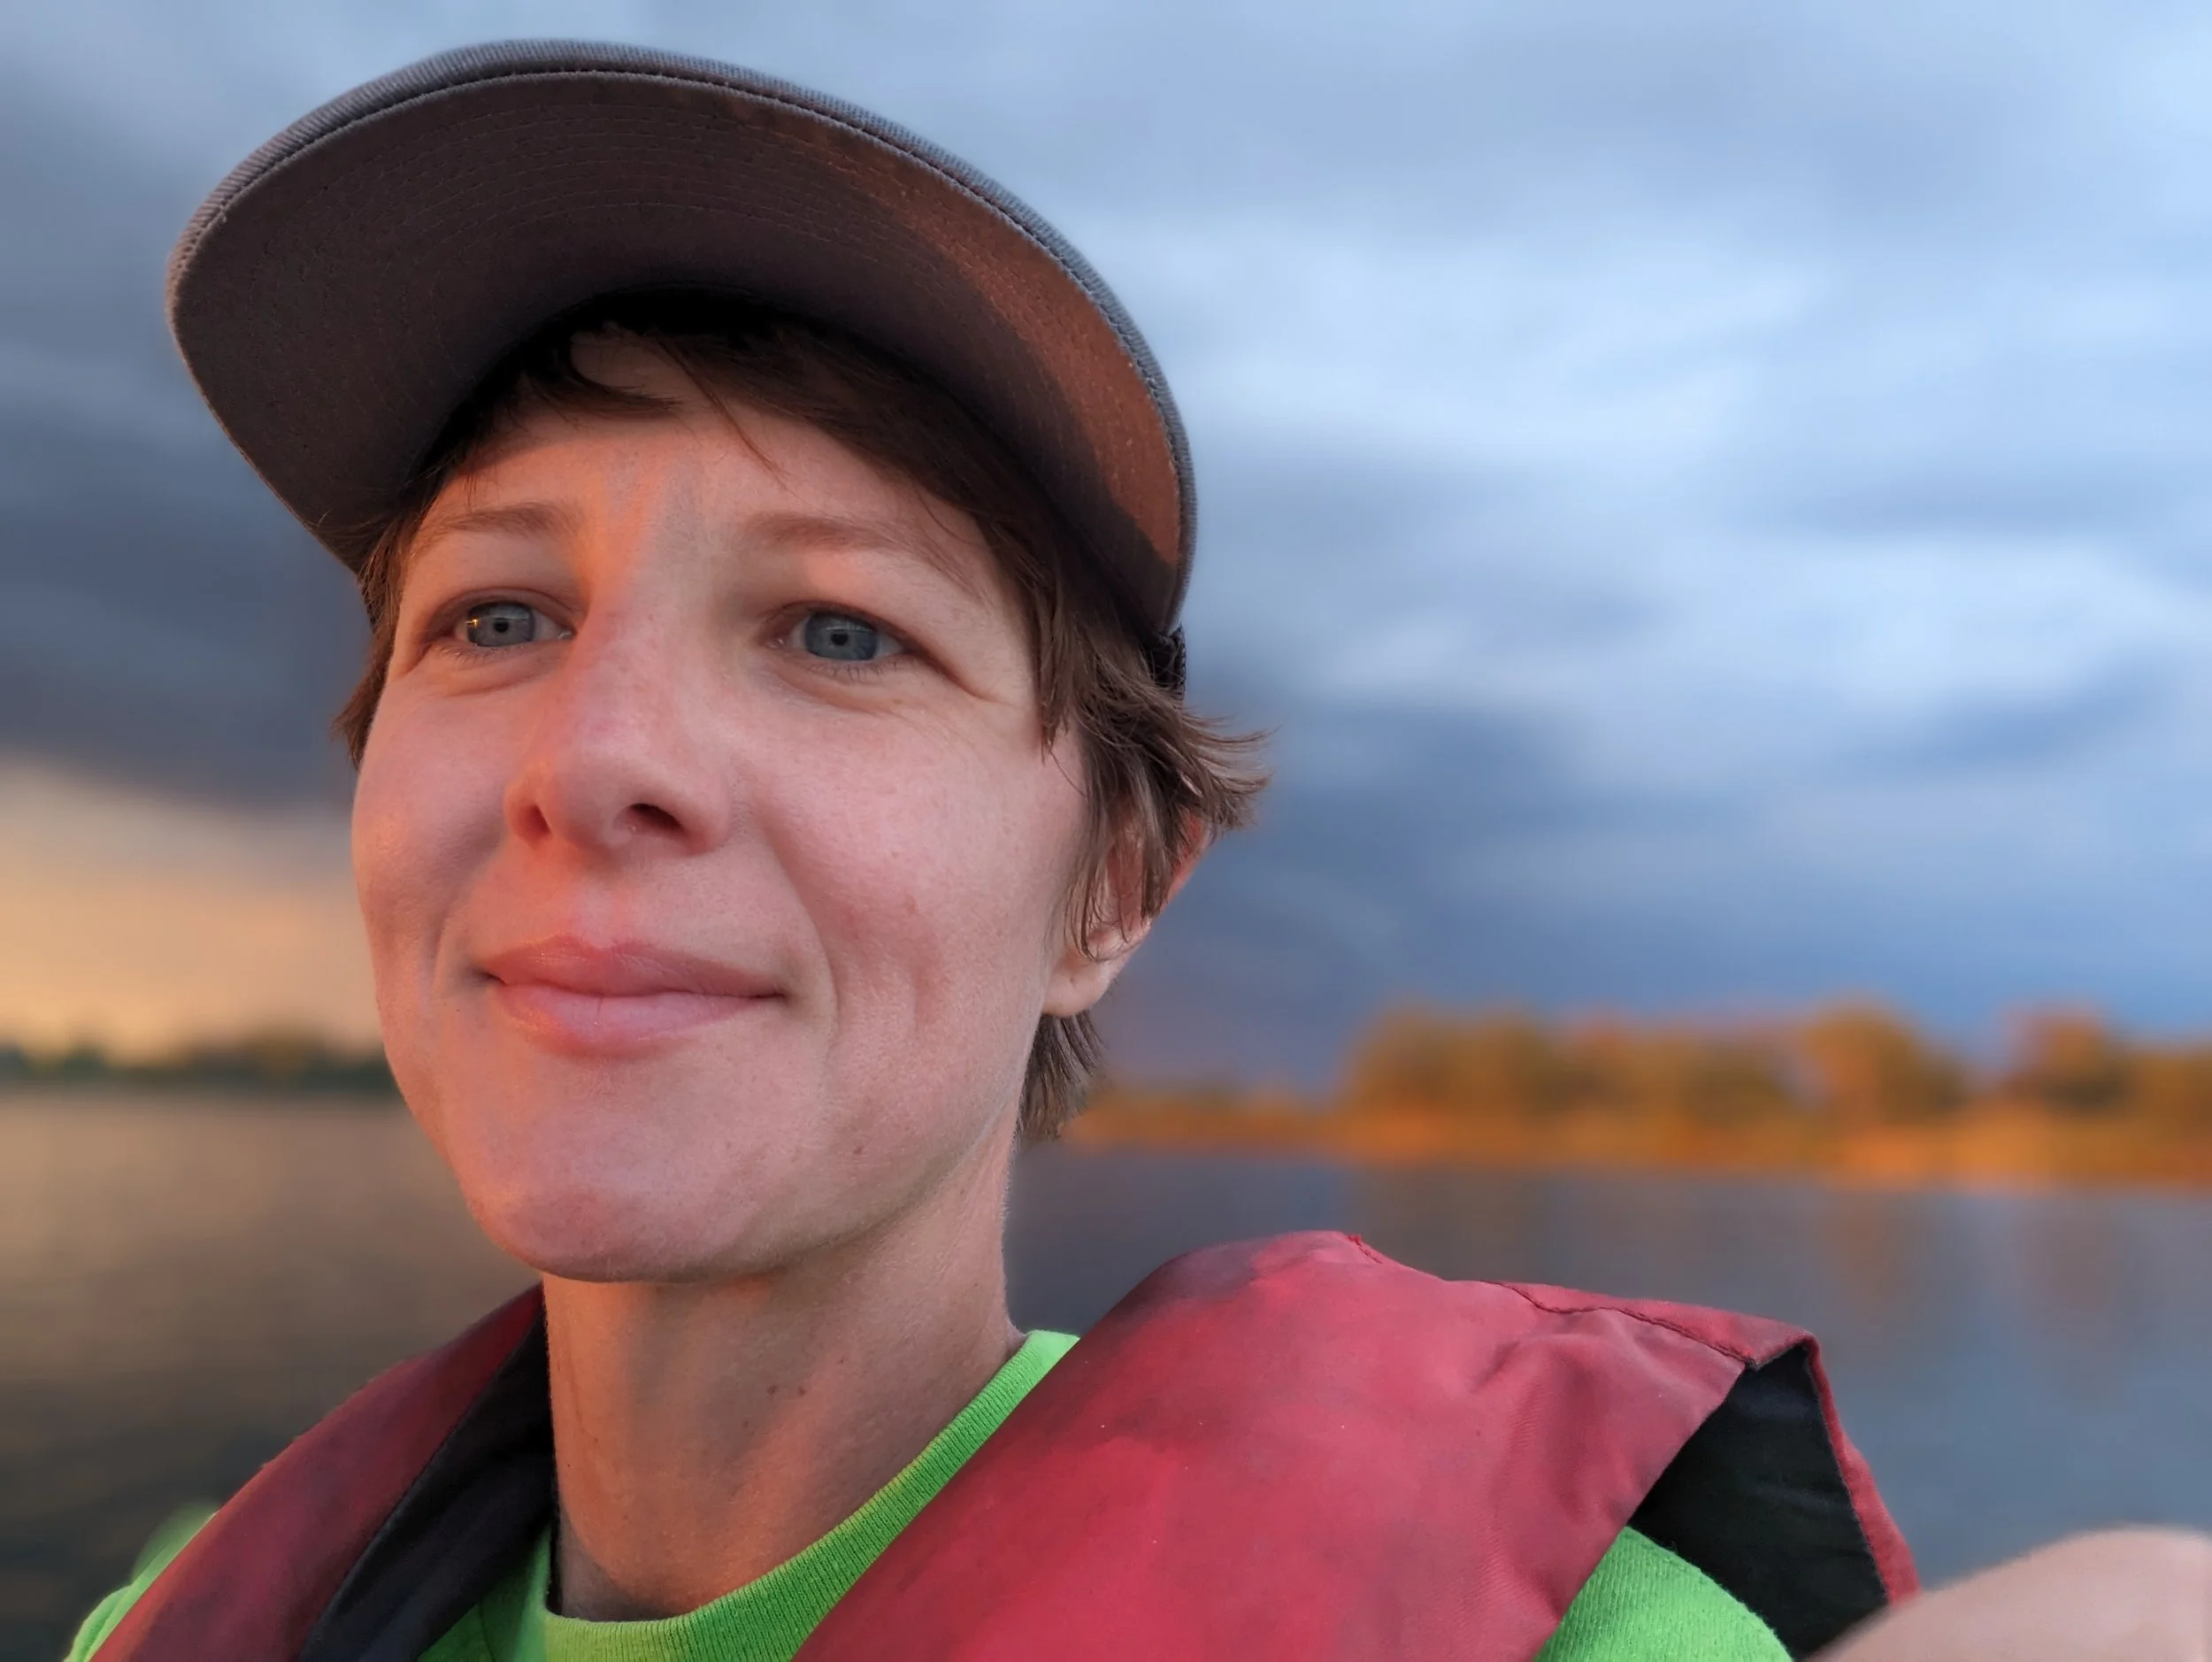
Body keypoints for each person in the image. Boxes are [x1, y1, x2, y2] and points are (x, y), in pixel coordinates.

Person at [69, 42, 1916, 1661]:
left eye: (840, 632)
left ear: (1109, 891)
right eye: (492, 617)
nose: (594, 755)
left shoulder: (1582, 1649)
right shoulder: (154, 1628)